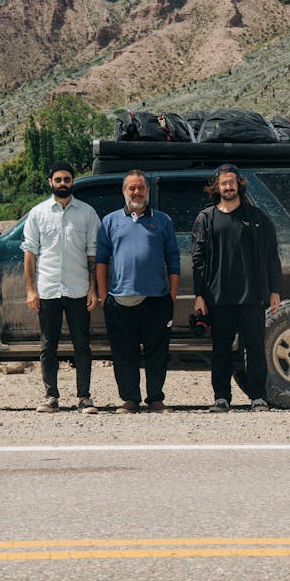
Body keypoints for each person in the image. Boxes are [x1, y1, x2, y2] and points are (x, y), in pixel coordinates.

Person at [191, 163, 282, 412]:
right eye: (223, 183)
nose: (228, 186)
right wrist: (200, 295)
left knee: (254, 348)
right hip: (218, 297)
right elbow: (198, 259)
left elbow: (272, 255)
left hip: (252, 296)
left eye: (231, 182)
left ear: (239, 184)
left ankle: (258, 397)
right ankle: (221, 397)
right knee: (221, 349)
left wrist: (274, 290)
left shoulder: (257, 217)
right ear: (217, 187)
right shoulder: (206, 218)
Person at [96, 169, 180, 413]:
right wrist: (104, 297)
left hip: (157, 299)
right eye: (131, 188)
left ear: (148, 191)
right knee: (124, 353)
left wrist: (171, 296)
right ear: (124, 192)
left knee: (157, 352)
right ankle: (130, 399)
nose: (136, 192)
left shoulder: (162, 220)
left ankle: (155, 398)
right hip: (119, 300)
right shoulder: (110, 221)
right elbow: (101, 261)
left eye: (140, 187)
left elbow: (173, 259)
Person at [22, 160, 100, 414]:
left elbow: (93, 253)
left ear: (73, 182)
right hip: (48, 290)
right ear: (50, 182)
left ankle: (84, 397)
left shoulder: (87, 213)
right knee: (48, 346)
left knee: (82, 345)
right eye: (58, 180)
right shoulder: (38, 213)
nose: (63, 183)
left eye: (67, 179)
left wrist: (93, 289)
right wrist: (31, 290)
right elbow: (30, 253)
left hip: (78, 289)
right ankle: (51, 396)